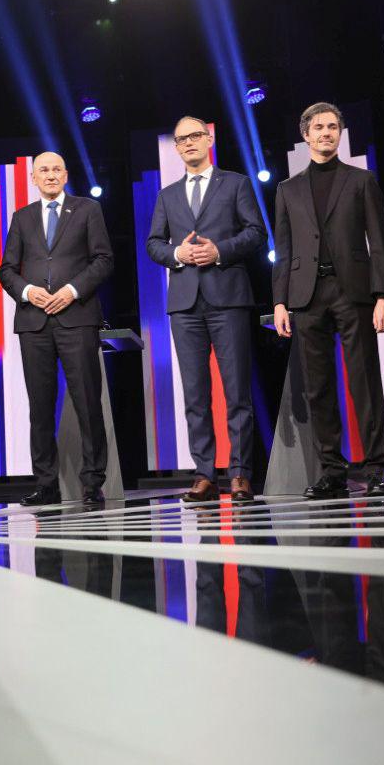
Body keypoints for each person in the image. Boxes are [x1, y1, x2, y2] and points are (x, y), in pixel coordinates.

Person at [272, 103, 384, 499]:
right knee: (318, 386)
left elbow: (379, 242)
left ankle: (374, 468)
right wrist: (279, 302)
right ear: (306, 135)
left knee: (365, 382)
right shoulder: (287, 189)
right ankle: (331, 470)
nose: (326, 133)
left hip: (353, 291)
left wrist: (383, 294)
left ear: (340, 133)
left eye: (332, 127)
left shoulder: (361, 180)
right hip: (306, 296)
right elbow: (284, 250)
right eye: (319, 127)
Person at [144, 116, 268, 503]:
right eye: (182, 139)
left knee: (236, 391)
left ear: (209, 139)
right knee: (195, 395)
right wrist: (176, 254)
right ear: (177, 148)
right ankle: (204, 474)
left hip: (228, 297)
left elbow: (256, 232)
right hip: (184, 304)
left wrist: (220, 251)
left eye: (195, 136)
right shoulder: (167, 195)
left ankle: (241, 474)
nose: (189, 143)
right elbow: (153, 243)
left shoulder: (235, 183)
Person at [0, 152, 114, 506]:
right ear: (33, 178)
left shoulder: (88, 209)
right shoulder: (21, 217)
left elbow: (103, 260)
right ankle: (46, 484)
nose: (50, 175)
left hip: (76, 316)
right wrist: (27, 292)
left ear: (65, 175)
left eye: (56, 169)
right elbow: (6, 270)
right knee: (40, 406)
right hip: (34, 322)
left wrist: (71, 290)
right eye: (43, 170)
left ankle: (92, 483)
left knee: (87, 401)